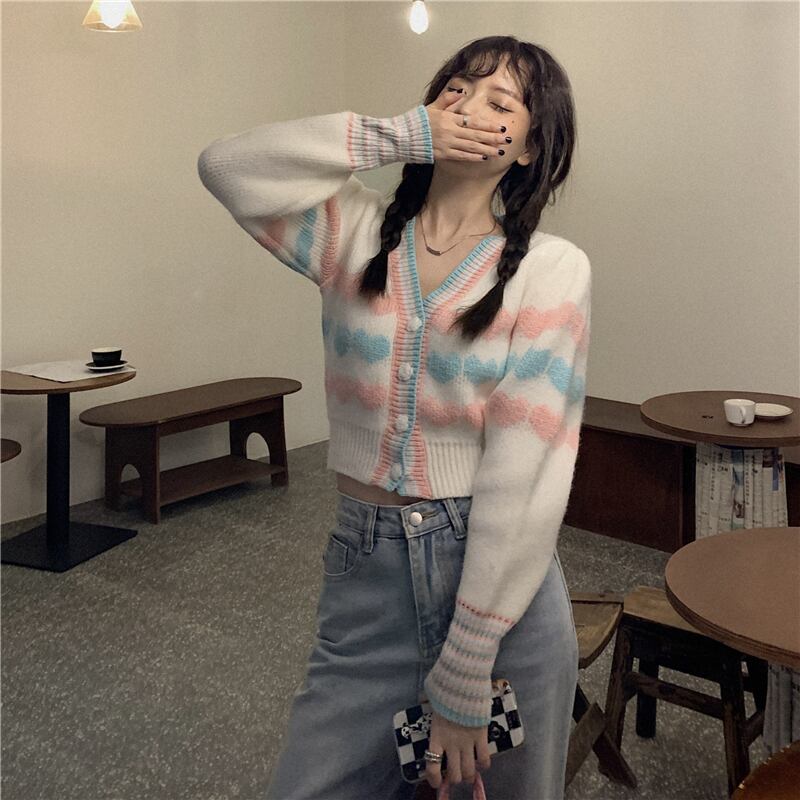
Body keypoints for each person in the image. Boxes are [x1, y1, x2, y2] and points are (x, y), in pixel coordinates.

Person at [198, 34, 590, 800]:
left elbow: (526, 471)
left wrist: (468, 664)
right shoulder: (350, 232)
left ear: (527, 148)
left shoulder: (551, 268)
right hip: (367, 572)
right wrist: (398, 135)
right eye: (455, 90)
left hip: (499, 594)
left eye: (500, 101)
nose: (467, 106)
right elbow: (225, 167)